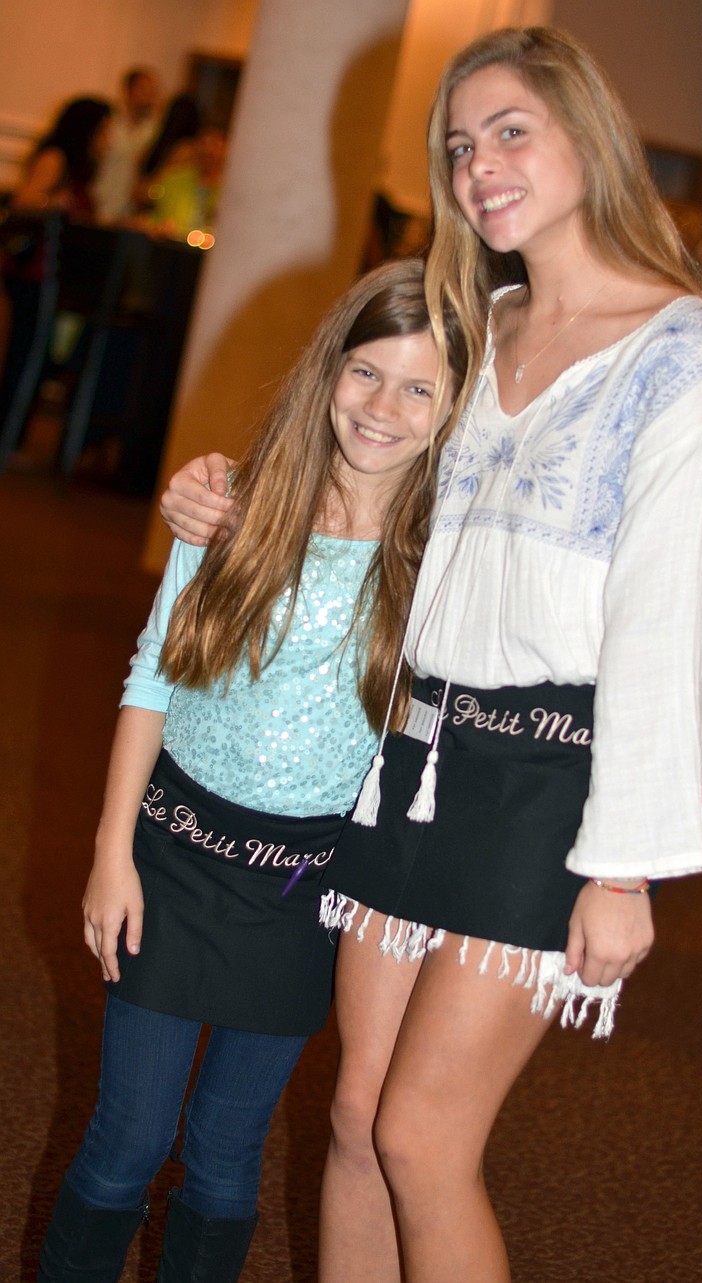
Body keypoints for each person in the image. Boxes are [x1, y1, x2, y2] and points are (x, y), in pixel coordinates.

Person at [160, 26, 702, 1281]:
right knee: (356, 1121)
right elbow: (357, 458)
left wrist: (626, 866)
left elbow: (667, 618)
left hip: (543, 789)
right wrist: (220, 495)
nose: (480, 166)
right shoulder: (477, 317)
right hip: (408, 755)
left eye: (510, 132)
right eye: (461, 146)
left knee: (425, 1137)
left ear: (585, 132)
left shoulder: (675, 349)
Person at [37, 258, 467, 1283]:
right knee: (129, 1137)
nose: (383, 408)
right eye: (366, 372)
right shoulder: (233, 504)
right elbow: (154, 674)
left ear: (454, 410)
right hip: (171, 861)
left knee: (227, 1160)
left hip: (303, 895)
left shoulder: (446, 561)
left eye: (419, 388)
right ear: (328, 369)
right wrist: (110, 852)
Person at [0, 96, 112, 445]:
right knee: (26, 354)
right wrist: (56, 203)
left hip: (50, 275)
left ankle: (13, 434)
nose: (107, 139)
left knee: (36, 354)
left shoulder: (81, 166)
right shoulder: (56, 158)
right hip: (33, 274)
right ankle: (8, 434)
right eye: (104, 130)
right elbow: (23, 201)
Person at [92, 67, 160, 222]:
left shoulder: (152, 129)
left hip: (127, 208)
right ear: (129, 89)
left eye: (152, 90)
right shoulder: (109, 121)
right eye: (143, 89)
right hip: (97, 197)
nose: (149, 95)